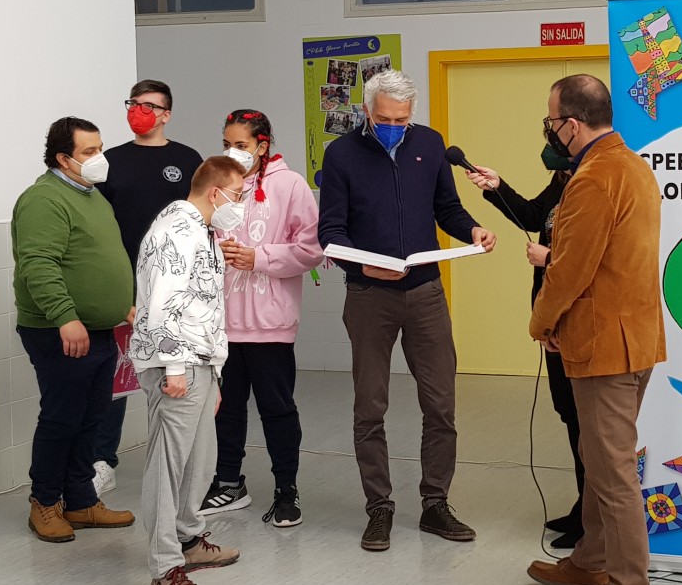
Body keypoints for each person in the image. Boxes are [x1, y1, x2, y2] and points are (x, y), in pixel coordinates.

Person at [317, 69, 496, 552]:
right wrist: (367, 267)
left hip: (425, 293)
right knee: (369, 408)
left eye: (402, 118)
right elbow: (330, 232)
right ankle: (379, 507)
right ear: (367, 112)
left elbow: (448, 209)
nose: (394, 125)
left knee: (441, 404)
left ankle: (435, 503)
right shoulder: (341, 155)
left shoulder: (430, 144)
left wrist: (474, 229)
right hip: (369, 296)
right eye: (385, 119)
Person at [524, 74, 664, 585]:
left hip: (605, 344)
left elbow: (568, 270)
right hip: (632, 338)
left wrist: (540, 322)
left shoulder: (592, 178)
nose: (549, 130)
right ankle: (592, 561)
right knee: (600, 457)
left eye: (550, 120)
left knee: (612, 472)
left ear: (571, 125)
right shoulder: (631, 165)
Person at [130, 156, 247, 585]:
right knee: (169, 463)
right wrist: (175, 367)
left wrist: (212, 372)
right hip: (175, 362)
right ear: (214, 192)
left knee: (200, 456)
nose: (239, 204)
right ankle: (163, 568)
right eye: (236, 196)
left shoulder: (201, 229)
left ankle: (187, 536)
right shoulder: (175, 231)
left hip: (201, 360)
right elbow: (162, 303)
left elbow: (202, 303)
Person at [12, 117, 137, 543]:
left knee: (92, 417)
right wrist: (66, 317)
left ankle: (81, 501)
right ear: (63, 158)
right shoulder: (44, 199)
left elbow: (101, 259)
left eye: (100, 148)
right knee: (62, 418)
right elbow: (38, 265)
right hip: (59, 331)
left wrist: (125, 305)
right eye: (88, 152)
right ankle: (45, 503)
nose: (99, 158)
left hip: (101, 329)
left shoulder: (93, 196)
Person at [198, 110, 323, 526]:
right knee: (227, 408)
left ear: (263, 144)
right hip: (223, 324)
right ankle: (228, 482)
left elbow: (311, 250)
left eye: (241, 145)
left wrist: (260, 258)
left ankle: (286, 489)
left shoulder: (290, 185)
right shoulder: (219, 183)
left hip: (271, 324)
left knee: (277, 408)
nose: (232, 152)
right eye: (226, 143)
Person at [464, 152, 584, 549]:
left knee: (587, 422)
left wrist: (549, 258)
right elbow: (534, 217)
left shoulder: (593, 180)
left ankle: (594, 519)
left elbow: (596, 257)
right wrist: (498, 188)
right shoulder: (562, 179)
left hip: (578, 318)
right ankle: (586, 507)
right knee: (569, 413)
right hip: (552, 318)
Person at [92, 79, 203, 497]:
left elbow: (198, 217)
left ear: (166, 114)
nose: (140, 111)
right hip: (126, 288)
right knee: (116, 378)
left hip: (176, 288)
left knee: (178, 374)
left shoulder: (186, 158)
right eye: (133, 104)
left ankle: (180, 462)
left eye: (149, 105)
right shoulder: (110, 161)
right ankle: (102, 461)